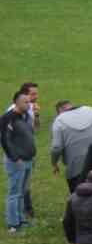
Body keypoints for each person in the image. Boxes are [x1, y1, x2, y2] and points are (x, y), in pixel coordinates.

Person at [50, 100, 92, 194]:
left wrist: (54, 163)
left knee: (79, 197)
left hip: (75, 167)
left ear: (59, 111)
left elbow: (56, 147)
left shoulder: (59, 120)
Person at [2, 90, 36, 234]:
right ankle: (12, 223)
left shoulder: (26, 115)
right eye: (25, 102)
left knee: (22, 192)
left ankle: (21, 219)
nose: (29, 105)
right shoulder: (7, 118)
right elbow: (4, 140)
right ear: (15, 102)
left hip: (28, 159)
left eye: (29, 102)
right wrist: (15, 158)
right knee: (14, 192)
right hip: (17, 161)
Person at [19, 82, 38, 220]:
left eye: (36, 93)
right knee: (21, 184)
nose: (35, 96)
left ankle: (26, 209)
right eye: (32, 94)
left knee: (26, 182)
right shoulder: (13, 111)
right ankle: (23, 212)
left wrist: (36, 115)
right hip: (19, 154)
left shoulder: (31, 107)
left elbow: (35, 129)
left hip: (29, 151)